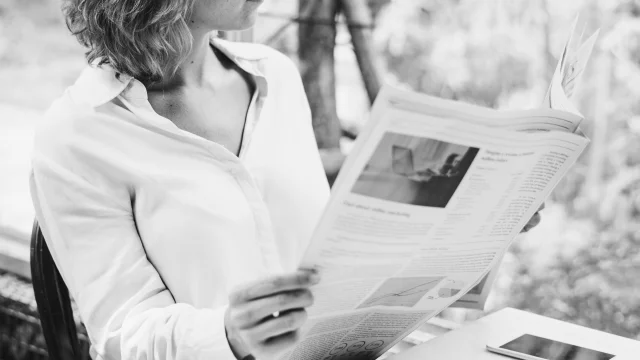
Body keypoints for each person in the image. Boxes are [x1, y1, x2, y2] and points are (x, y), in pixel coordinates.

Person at [28, 1, 543, 359]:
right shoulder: (77, 136)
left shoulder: (275, 76)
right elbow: (124, 336)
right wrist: (228, 333)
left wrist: (482, 218)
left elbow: (326, 251)